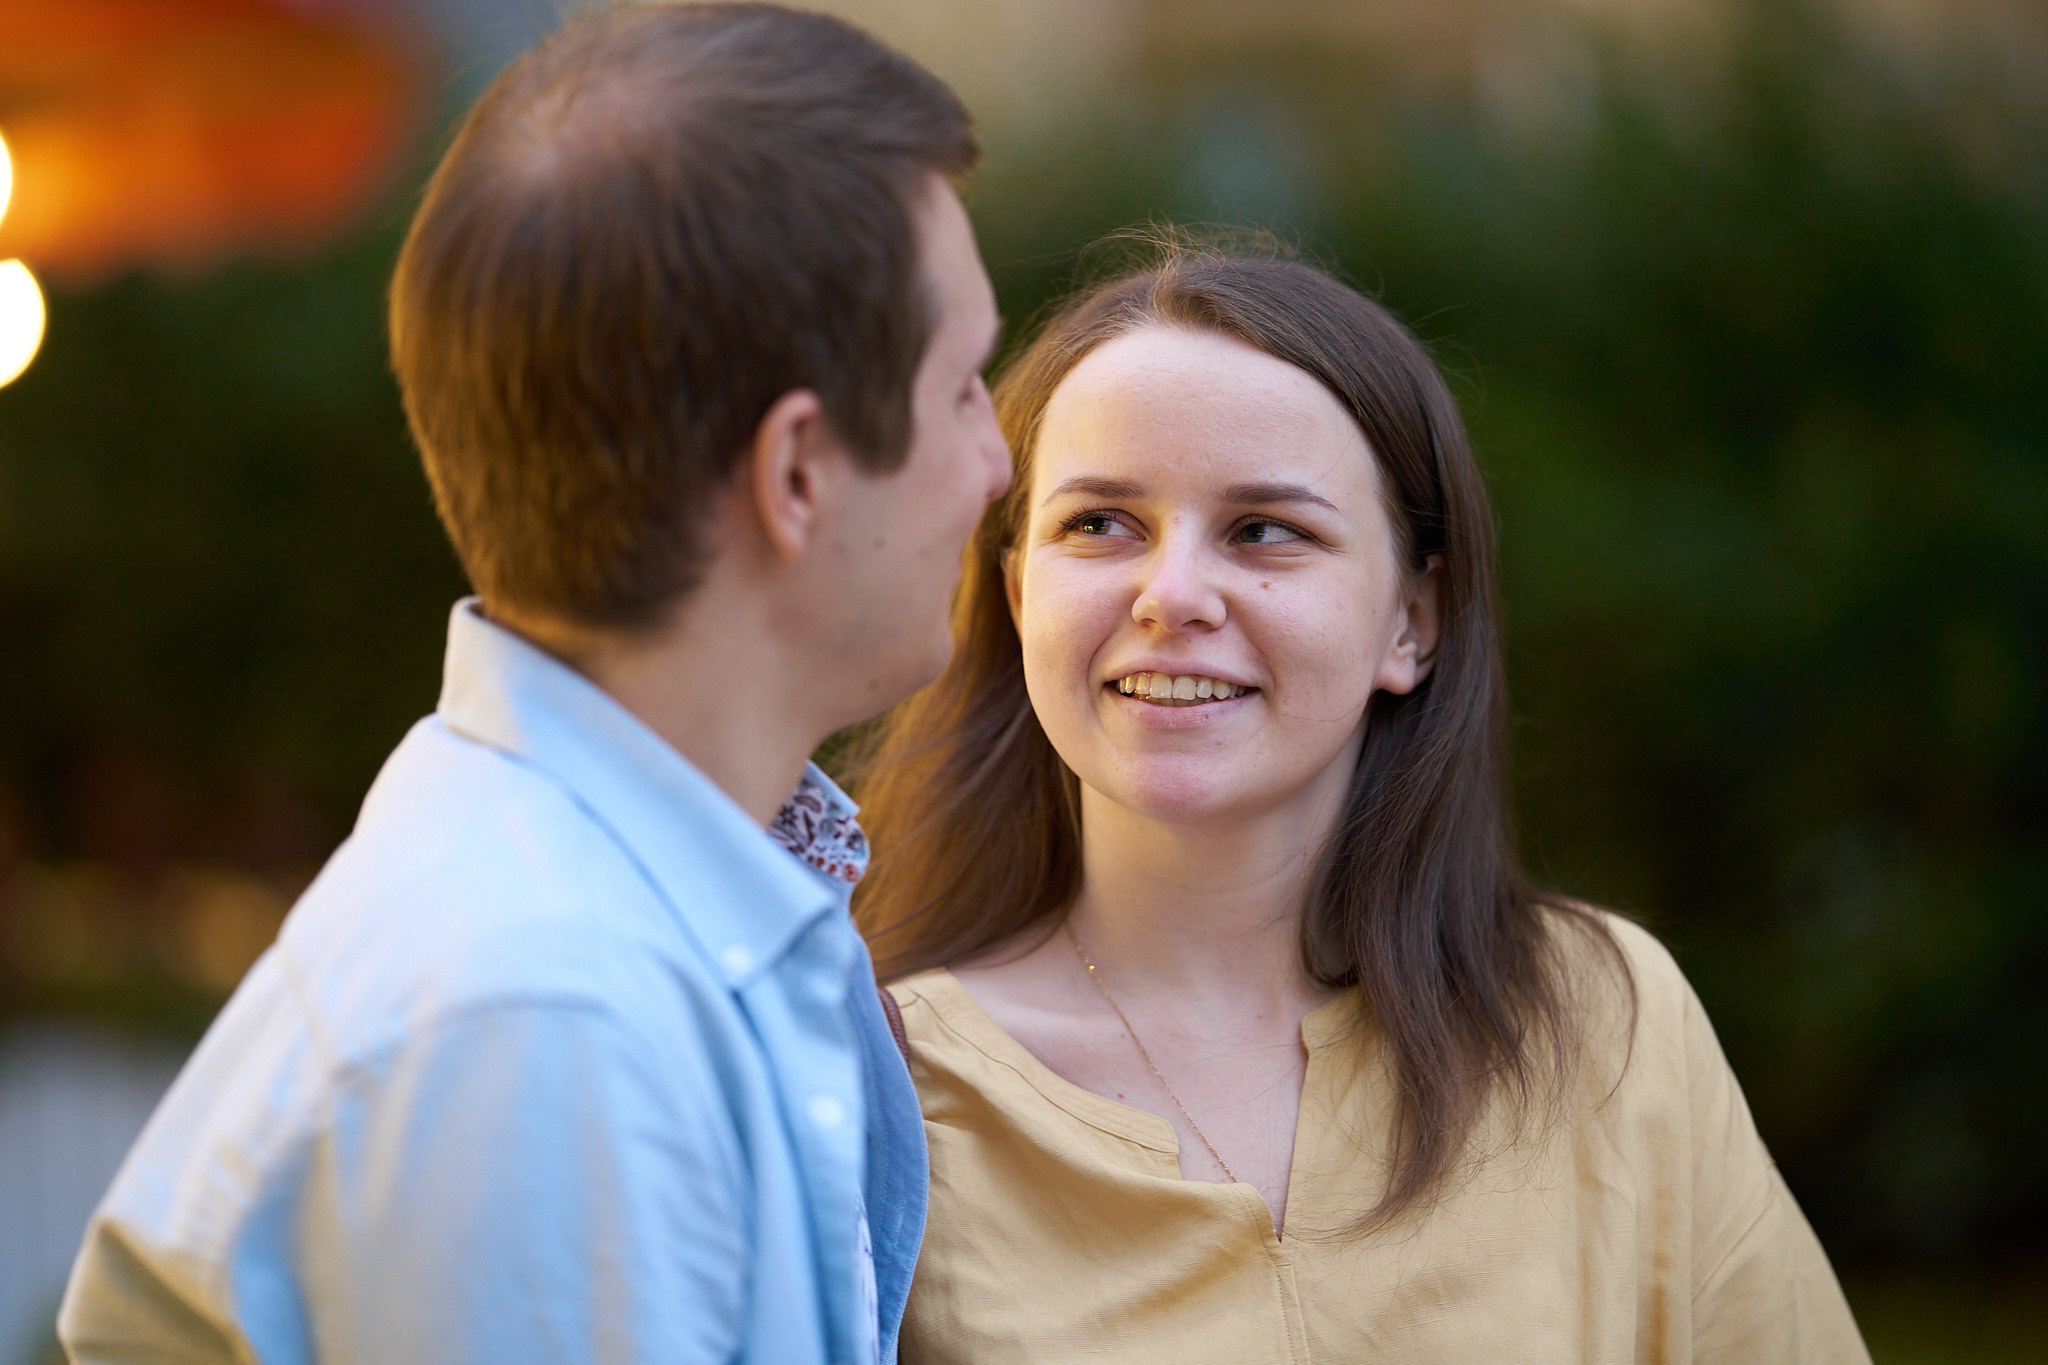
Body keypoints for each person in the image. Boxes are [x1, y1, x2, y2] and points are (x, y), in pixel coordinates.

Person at [59, 5, 1008, 1363]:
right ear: (798, 472)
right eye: (965, 385)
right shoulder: (548, 1020)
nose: (1000, 461)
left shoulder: (602, 914)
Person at [852, 241, 1871, 1364]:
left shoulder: (1600, 1024)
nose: (1172, 594)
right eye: (1099, 524)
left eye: (1263, 531)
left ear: (1411, 623)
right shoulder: (878, 1087)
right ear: (1014, 591)